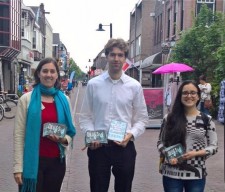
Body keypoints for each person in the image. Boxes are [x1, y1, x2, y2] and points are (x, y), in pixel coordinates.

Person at [79, 38, 148, 192]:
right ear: (107, 56)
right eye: (113, 55)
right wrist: (91, 135)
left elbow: (142, 119)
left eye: (120, 55)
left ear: (125, 58)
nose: (116, 59)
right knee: (97, 189)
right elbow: (85, 116)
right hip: (99, 147)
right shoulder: (94, 84)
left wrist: (130, 135)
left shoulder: (134, 86)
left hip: (124, 147)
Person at [13, 57, 76, 192]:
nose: (49, 75)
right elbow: (19, 135)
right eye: (45, 71)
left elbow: (71, 131)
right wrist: (18, 167)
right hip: (32, 162)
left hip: (56, 163)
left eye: (52, 71)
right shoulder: (26, 99)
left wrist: (63, 139)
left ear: (57, 75)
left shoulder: (64, 99)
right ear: (39, 74)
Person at [157, 80, 218, 192]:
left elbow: (214, 147)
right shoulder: (169, 118)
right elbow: (160, 143)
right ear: (180, 96)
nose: (189, 96)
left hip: (196, 174)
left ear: (199, 96)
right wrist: (167, 154)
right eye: (185, 93)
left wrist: (197, 153)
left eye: (193, 93)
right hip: (171, 173)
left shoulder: (206, 120)